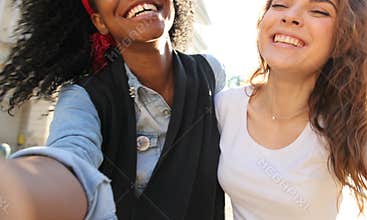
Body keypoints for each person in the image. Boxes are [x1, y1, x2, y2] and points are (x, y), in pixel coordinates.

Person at [0, 0, 225, 219]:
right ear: (99, 22)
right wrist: (17, 189)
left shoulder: (211, 74)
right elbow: (71, 157)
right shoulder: (85, 97)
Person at [215, 0, 367, 219]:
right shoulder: (225, 107)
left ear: (344, 38)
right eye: (280, 5)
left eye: (319, 11)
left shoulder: (357, 127)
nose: (290, 16)